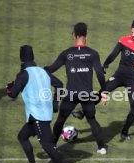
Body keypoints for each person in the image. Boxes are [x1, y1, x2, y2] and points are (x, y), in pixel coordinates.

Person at [6, 45, 74, 163]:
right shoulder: (43, 71)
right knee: (22, 136)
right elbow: (60, 84)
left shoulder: (24, 74)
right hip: (40, 115)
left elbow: (12, 94)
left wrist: (9, 87)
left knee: (47, 146)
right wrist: (56, 103)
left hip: (38, 116)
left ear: (21, 58)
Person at [45, 22, 107, 154]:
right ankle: (101, 147)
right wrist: (104, 92)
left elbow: (51, 69)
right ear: (86, 36)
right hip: (87, 94)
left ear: (74, 36)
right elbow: (100, 73)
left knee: (61, 119)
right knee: (91, 120)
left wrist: (38, 70)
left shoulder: (67, 54)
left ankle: (53, 147)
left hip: (71, 93)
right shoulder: (92, 54)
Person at [102, 17, 134, 140]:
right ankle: (83, 111)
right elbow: (113, 54)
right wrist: (105, 64)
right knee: (103, 90)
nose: (133, 35)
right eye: (132, 32)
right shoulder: (124, 40)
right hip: (120, 75)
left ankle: (125, 131)